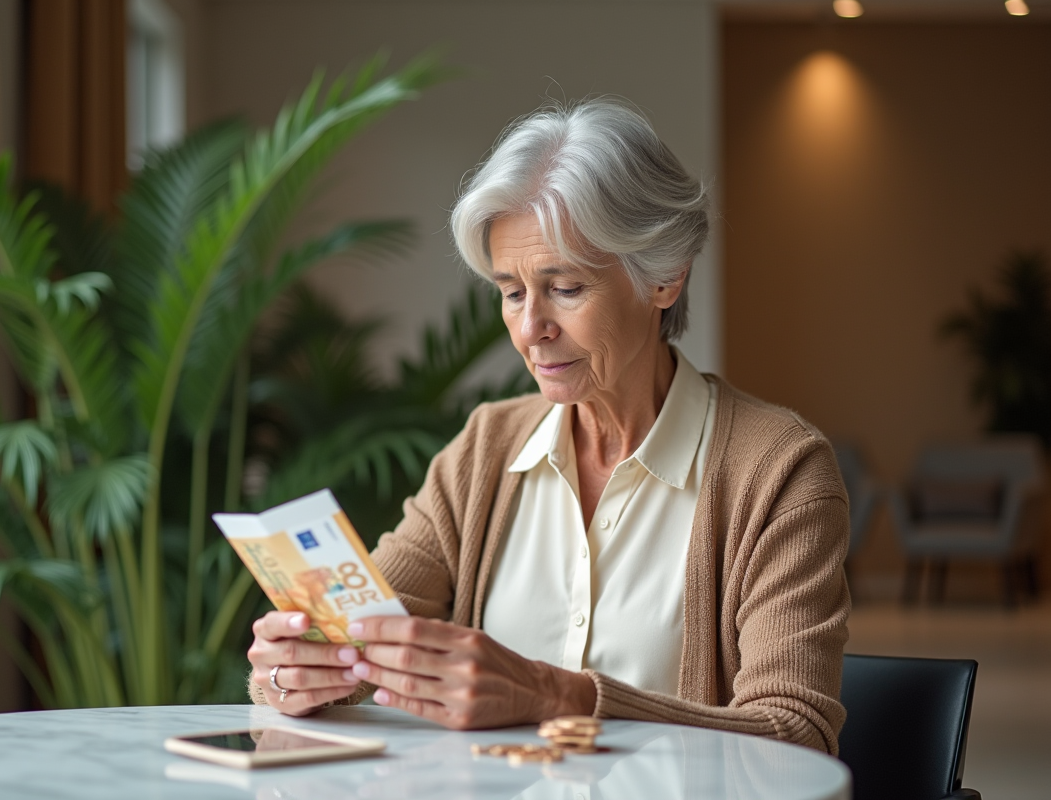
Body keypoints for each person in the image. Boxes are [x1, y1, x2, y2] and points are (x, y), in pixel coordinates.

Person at [246, 99, 850, 754]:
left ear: (665, 279)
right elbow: (363, 638)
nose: (531, 329)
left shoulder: (779, 471)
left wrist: (557, 696)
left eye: (565, 288)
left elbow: (795, 739)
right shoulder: (485, 448)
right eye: (510, 291)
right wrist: (298, 671)